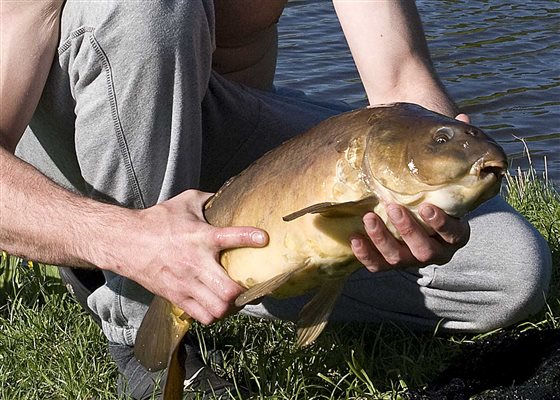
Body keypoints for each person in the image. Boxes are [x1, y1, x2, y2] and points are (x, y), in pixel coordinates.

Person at [0, 0, 551, 399]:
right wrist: (120, 240)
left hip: (230, 144)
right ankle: (136, 315)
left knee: (506, 269)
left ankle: (234, 270)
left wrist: (430, 211)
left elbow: (401, 82)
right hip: (78, 136)